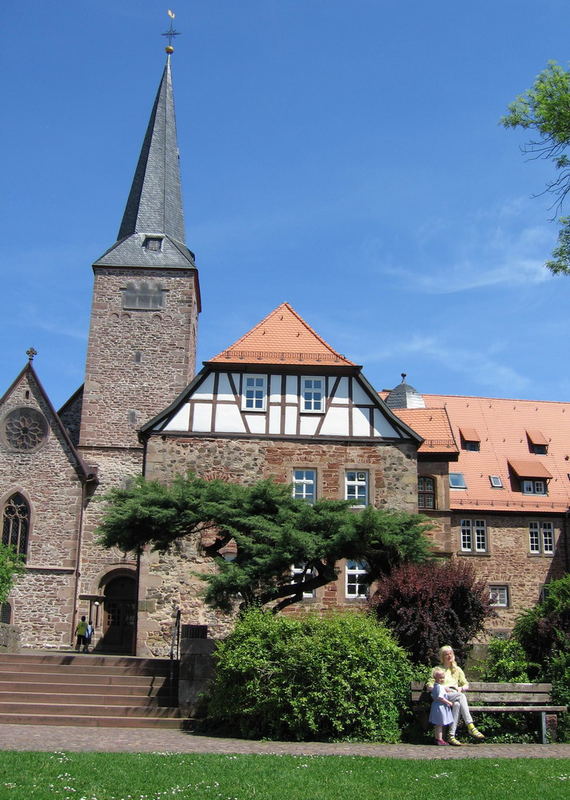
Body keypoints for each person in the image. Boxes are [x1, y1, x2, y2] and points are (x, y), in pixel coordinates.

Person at [426, 644, 485, 746]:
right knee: (461, 696)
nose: (449, 656)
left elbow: (466, 684)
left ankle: (451, 736)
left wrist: (461, 688)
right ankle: (470, 725)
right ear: (442, 657)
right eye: (446, 654)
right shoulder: (437, 669)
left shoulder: (457, 670)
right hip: (443, 695)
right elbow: (429, 686)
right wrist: (443, 688)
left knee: (457, 704)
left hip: (454, 694)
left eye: (451, 653)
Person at [429, 667, 454, 745]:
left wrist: (448, 690)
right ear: (435, 678)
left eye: (443, 678)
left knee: (438, 724)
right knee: (440, 724)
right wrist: (448, 702)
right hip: (440, 706)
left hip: (436, 706)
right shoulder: (439, 687)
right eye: (440, 678)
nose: (442, 679)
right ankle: (440, 739)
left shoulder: (436, 686)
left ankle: (437, 738)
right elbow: (440, 697)